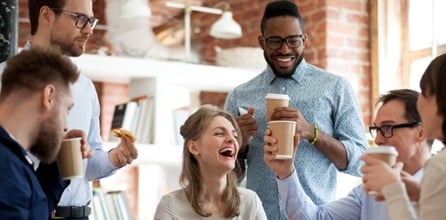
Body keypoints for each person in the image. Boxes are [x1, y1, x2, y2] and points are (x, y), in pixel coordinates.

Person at [224, 1, 367, 218]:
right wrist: (240, 146)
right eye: (274, 41)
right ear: (261, 42)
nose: (284, 49)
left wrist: (312, 132)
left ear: (304, 40)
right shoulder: (240, 95)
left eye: (293, 40)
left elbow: (360, 161)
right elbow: (226, 177)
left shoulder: (336, 87)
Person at [20, 0, 138, 219]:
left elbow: (88, 167)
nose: (88, 30)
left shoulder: (85, 87)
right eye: (80, 19)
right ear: (46, 15)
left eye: (91, 21)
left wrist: (114, 158)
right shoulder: (4, 81)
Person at [264, 89, 430, 220]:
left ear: (421, 132)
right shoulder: (366, 192)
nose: (378, 140)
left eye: (387, 128)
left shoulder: (438, 188)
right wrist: (285, 172)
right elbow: (315, 218)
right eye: (376, 130)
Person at [0, 47, 86, 218]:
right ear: (49, 96)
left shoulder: (14, 163)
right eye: (67, 110)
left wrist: (59, 159)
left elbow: (37, 209)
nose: (66, 126)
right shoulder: (6, 167)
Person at [362, 54, 446, 219]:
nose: (419, 102)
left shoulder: (439, 167)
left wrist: (393, 190)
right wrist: (422, 194)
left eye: (424, 92)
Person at [154, 105, 267, 220]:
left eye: (235, 135)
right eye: (219, 133)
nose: (232, 140)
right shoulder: (170, 206)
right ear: (194, 147)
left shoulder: (251, 202)